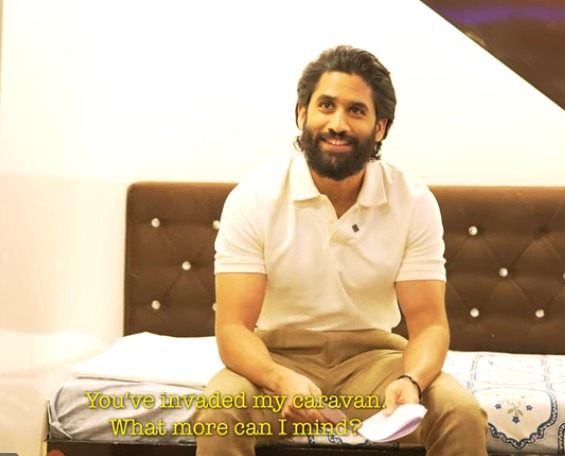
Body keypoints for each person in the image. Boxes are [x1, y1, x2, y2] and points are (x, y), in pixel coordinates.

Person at [193, 45, 488, 456]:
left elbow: (429, 326)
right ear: (302, 114)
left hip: (374, 360)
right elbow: (233, 329)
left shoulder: (413, 201)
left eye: (356, 111)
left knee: (460, 411)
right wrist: (280, 379)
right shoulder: (254, 198)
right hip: (276, 357)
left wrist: (411, 381)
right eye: (326, 106)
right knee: (220, 410)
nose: (337, 124)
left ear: (380, 127)